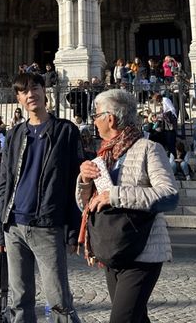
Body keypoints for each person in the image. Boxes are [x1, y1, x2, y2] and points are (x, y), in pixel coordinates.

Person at [77, 89, 179, 323]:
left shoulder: (149, 149)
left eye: (97, 115)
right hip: (114, 248)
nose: (94, 121)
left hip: (143, 251)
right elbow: (88, 204)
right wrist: (83, 180)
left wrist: (115, 195)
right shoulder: (103, 154)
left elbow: (169, 195)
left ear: (110, 118)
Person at [0, 72, 83, 323]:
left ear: (45, 91)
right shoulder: (13, 135)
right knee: (19, 301)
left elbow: (75, 183)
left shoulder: (66, 132)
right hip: (13, 226)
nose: (30, 94)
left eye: (35, 88)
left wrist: (73, 229)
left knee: (59, 302)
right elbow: (4, 184)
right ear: (18, 99)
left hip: (47, 225)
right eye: (24, 91)